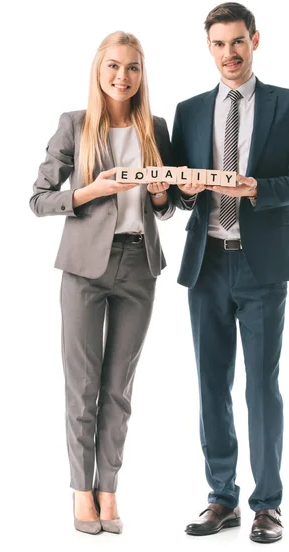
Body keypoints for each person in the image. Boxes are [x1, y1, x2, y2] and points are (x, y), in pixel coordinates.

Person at [171, 2, 289, 543]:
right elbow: (170, 190)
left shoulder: (288, 105)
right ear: (208, 48)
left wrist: (259, 188)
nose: (228, 54)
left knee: (261, 387)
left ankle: (267, 505)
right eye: (218, 44)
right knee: (211, 385)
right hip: (207, 264)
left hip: (263, 268)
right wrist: (181, 190)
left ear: (255, 41)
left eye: (237, 42)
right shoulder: (189, 111)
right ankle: (221, 498)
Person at [29, 31, 173, 535]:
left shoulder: (154, 127)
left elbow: (167, 205)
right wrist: (90, 190)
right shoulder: (75, 125)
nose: (122, 76)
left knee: (119, 388)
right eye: (113, 66)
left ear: (141, 75)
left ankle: (108, 488)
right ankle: (79, 490)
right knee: (82, 385)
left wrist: (158, 195)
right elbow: (40, 198)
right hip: (85, 269)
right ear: (98, 69)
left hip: (140, 265)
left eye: (132, 68)